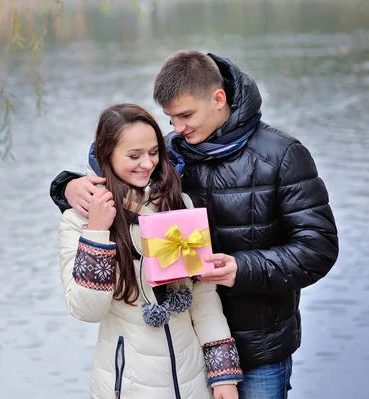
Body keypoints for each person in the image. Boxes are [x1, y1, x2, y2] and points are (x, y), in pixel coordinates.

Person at [51, 51, 339, 399]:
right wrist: (66, 186)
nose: (178, 129)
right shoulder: (173, 154)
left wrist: (240, 268)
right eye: (171, 120)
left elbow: (317, 249)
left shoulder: (282, 155)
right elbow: (117, 156)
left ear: (219, 99)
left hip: (259, 345)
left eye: (186, 116)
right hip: (184, 347)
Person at [58, 103, 243, 399]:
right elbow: (87, 311)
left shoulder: (178, 203)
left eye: (154, 152)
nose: (147, 164)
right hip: (127, 386)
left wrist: (224, 375)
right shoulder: (78, 220)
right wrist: (96, 233)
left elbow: (203, 298)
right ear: (107, 155)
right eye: (134, 155)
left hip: (193, 383)